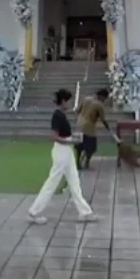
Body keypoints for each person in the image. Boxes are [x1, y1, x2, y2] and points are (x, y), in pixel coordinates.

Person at [27, 89, 98, 225]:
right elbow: (53, 136)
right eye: (69, 100)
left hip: (67, 152)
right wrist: (71, 141)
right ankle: (34, 212)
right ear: (64, 101)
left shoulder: (62, 115)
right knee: (52, 182)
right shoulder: (57, 116)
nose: (71, 103)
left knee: (74, 181)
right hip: (61, 152)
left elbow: (64, 134)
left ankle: (85, 212)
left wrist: (73, 138)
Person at [75, 88, 115, 171]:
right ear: (101, 96)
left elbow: (78, 110)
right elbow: (103, 119)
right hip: (89, 127)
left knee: (79, 146)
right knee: (91, 147)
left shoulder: (86, 99)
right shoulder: (99, 105)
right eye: (104, 98)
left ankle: (78, 163)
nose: (104, 100)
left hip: (79, 124)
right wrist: (109, 128)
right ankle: (86, 163)